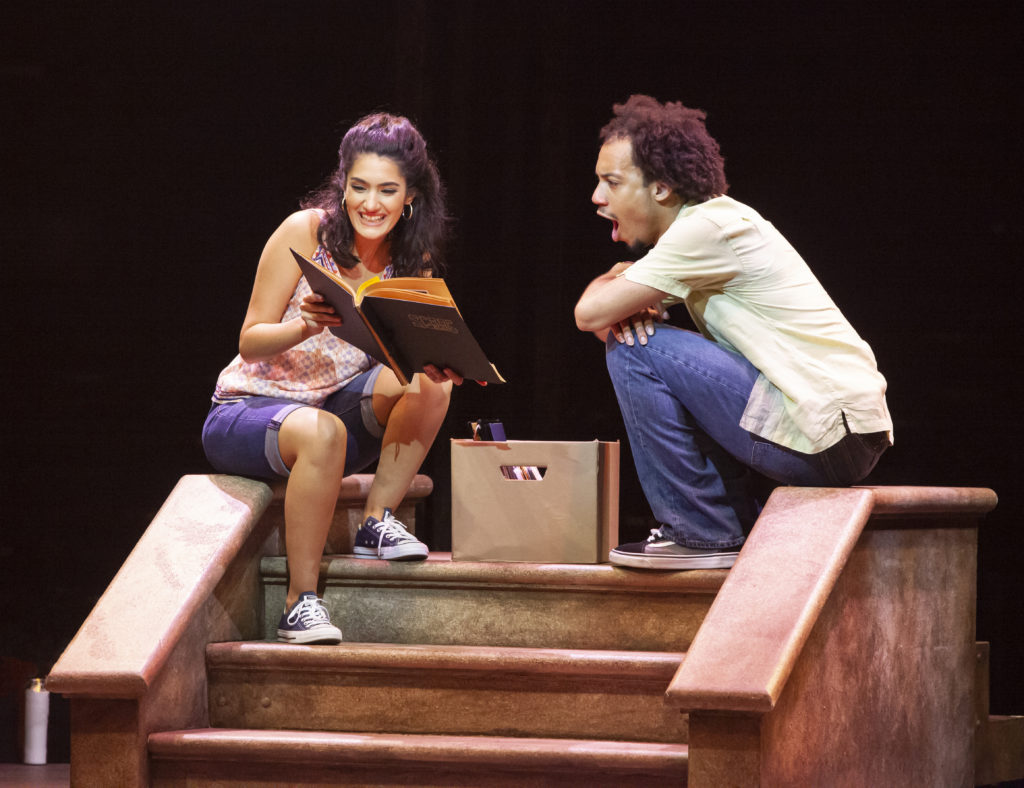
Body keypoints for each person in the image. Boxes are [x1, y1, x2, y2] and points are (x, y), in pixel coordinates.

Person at [575, 95, 893, 571]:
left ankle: (701, 531)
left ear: (660, 188)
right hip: (846, 432)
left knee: (637, 351)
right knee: (638, 345)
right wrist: (623, 306)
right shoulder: (709, 227)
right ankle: (723, 526)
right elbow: (605, 323)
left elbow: (589, 315)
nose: (598, 198)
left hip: (827, 435)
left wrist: (619, 284)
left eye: (612, 182)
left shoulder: (705, 231)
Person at [203, 112, 466, 644]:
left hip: (332, 412)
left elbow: (407, 355)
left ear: (410, 197)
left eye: (387, 190)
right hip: (247, 410)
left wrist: (439, 360)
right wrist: (304, 324)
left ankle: (377, 518)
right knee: (324, 433)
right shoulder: (307, 232)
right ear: (342, 186)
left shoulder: (415, 263)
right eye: (359, 187)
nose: (371, 204)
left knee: (431, 382)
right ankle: (300, 603)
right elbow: (249, 339)